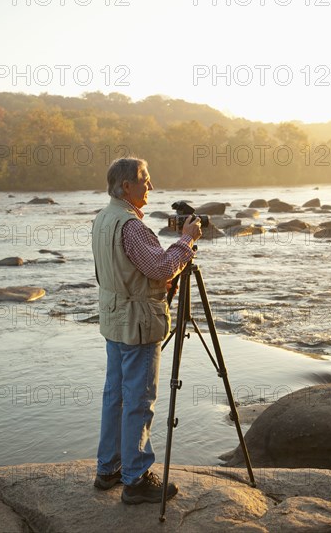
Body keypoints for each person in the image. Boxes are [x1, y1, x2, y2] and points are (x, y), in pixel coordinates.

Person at [92, 157, 202, 504]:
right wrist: (186, 240)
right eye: (146, 181)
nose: (150, 187)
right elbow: (161, 267)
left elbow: (125, 265)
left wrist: (170, 240)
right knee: (139, 400)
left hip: (114, 319)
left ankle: (108, 469)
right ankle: (136, 478)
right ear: (127, 186)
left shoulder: (104, 217)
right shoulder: (133, 227)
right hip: (138, 322)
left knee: (116, 396)